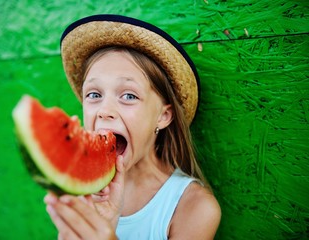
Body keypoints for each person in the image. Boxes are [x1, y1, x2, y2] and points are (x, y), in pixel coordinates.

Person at [44, 14, 221, 240]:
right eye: (94, 94)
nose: (104, 110)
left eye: (128, 95)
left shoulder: (194, 208)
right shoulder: (79, 192)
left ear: (163, 116)